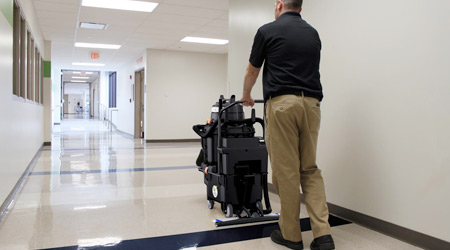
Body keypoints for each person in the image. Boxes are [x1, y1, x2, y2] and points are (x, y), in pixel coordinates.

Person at [241, 0, 335, 249]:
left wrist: (246, 95)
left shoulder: (267, 31)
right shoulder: (313, 33)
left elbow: (253, 70)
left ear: (279, 5)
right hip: (312, 105)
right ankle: (323, 235)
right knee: (310, 168)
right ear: (300, 9)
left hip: (282, 105)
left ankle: (291, 235)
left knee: (286, 172)